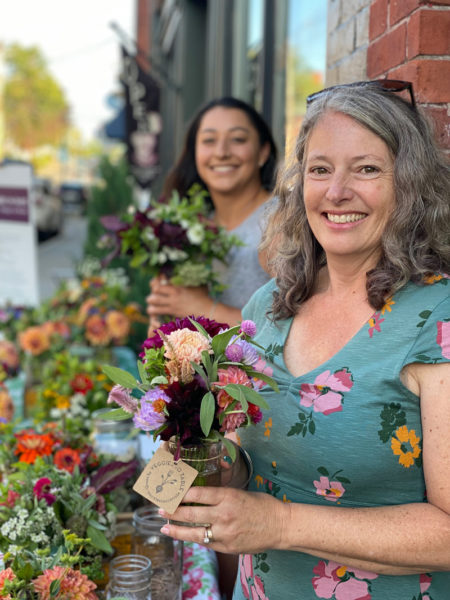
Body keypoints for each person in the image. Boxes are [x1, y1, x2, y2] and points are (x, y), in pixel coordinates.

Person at [156, 80, 450, 599]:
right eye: (320, 169)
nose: (336, 192)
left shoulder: (436, 317)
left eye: (367, 169)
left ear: (410, 185)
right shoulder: (269, 305)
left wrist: (281, 524)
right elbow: (252, 457)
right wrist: (215, 467)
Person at [145, 97, 278, 331]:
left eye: (237, 139)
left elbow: (297, 331)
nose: (221, 152)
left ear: (263, 152)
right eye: (208, 140)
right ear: (195, 153)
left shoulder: (279, 220)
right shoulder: (191, 227)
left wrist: (201, 308)